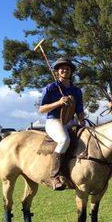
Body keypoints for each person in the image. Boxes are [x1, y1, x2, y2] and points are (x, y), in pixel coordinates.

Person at [39, 58, 85, 190]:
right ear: (58, 71)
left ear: (71, 72)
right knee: (64, 140)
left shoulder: (76, 91)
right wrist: (58, 103)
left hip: (71, 121)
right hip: (54, 121)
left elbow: (80, 110)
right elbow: (42, 109)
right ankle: (54, 175)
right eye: (62, 68)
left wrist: (83, 123)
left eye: (68, 68)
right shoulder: (51, 88)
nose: (65, 70)